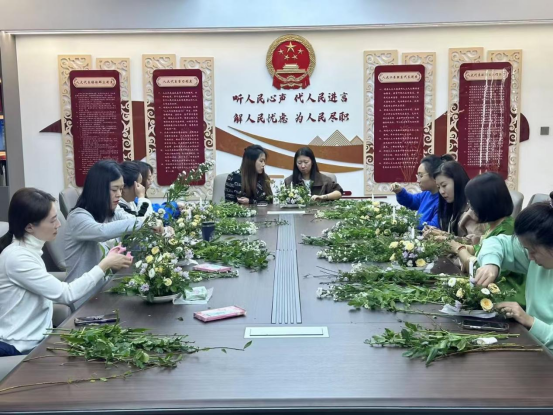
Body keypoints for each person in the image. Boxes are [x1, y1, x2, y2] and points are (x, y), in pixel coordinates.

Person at [0, 188, 132, 355]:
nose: (59, 224)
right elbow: (66, 294)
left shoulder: (28, 251)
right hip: (19, 347)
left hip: (37, 339)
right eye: (53, 220)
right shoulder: (18, 258)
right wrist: (104, 265)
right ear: (29, 227)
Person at [65, 160, 150, 307]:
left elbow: (133, 221)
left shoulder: (110, 212)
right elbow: (103, 231)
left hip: (104, 291)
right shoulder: (78, 217)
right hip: (84, 300)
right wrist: (148, 222)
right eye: (114, 189)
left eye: (121, 189)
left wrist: (153, 225)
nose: (119, 194)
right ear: (98, 189)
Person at [476, 191, 553, 350]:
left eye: (533, 251)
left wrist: (530, 321)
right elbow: (498, 243)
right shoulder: (538, 254)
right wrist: (491, 263)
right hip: (532, 342)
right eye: (527, 250)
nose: (529, 257)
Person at [448, 172, 525, 305]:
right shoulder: (492, 226)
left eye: (472, 203)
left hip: (506, 300)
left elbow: (479, 270)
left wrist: (458, 248)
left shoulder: (507, 230)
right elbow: (480, 249)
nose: (470, 208)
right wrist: (452, 243)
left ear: (486, 203)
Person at [424, 161, 486, 243]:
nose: (441, 191)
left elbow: (476, 242)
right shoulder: (450, 206)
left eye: (444, 185)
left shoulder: (472, 210)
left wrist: (443, 236)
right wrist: (436, 233)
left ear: (457, 181)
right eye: (438, 187)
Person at [391, 154, 453, 230]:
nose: (418, 181)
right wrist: (400, 191)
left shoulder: (444, 200)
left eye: (421, 176)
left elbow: (433, 227)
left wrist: (413, 223)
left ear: (434, 176)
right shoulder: (426, 194)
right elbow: (411, 201)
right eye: (417, 176)